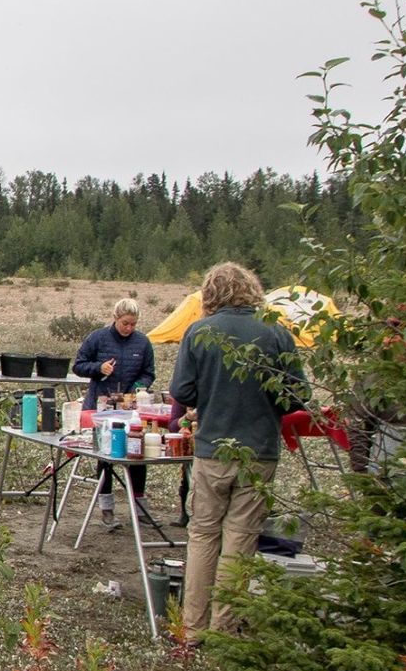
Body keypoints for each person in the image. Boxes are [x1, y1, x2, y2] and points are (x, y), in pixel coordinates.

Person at [170, 261, 307, 635]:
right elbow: (298, 395)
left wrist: (210, 396)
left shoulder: (199, 332)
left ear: (211, 294)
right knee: (240, 538)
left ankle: (193, 627)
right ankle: (224, 627)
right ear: (252, 290)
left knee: (202, 534)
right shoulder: (277, 333)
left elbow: (181, 392)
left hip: (213, 449)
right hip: (258, 452)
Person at [73, 296, 157, 530]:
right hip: (101, 408)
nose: (129, 328)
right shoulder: (97, 338)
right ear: (116, 319)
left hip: (130, 409)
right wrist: (98, 368)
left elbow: (149, 373)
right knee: (106, 457)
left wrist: (139, 388)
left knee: (137, 455)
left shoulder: (143, 343)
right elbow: (78, 365)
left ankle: (140, 507)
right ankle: (106, 508)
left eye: (133, 324)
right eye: (125, 323)